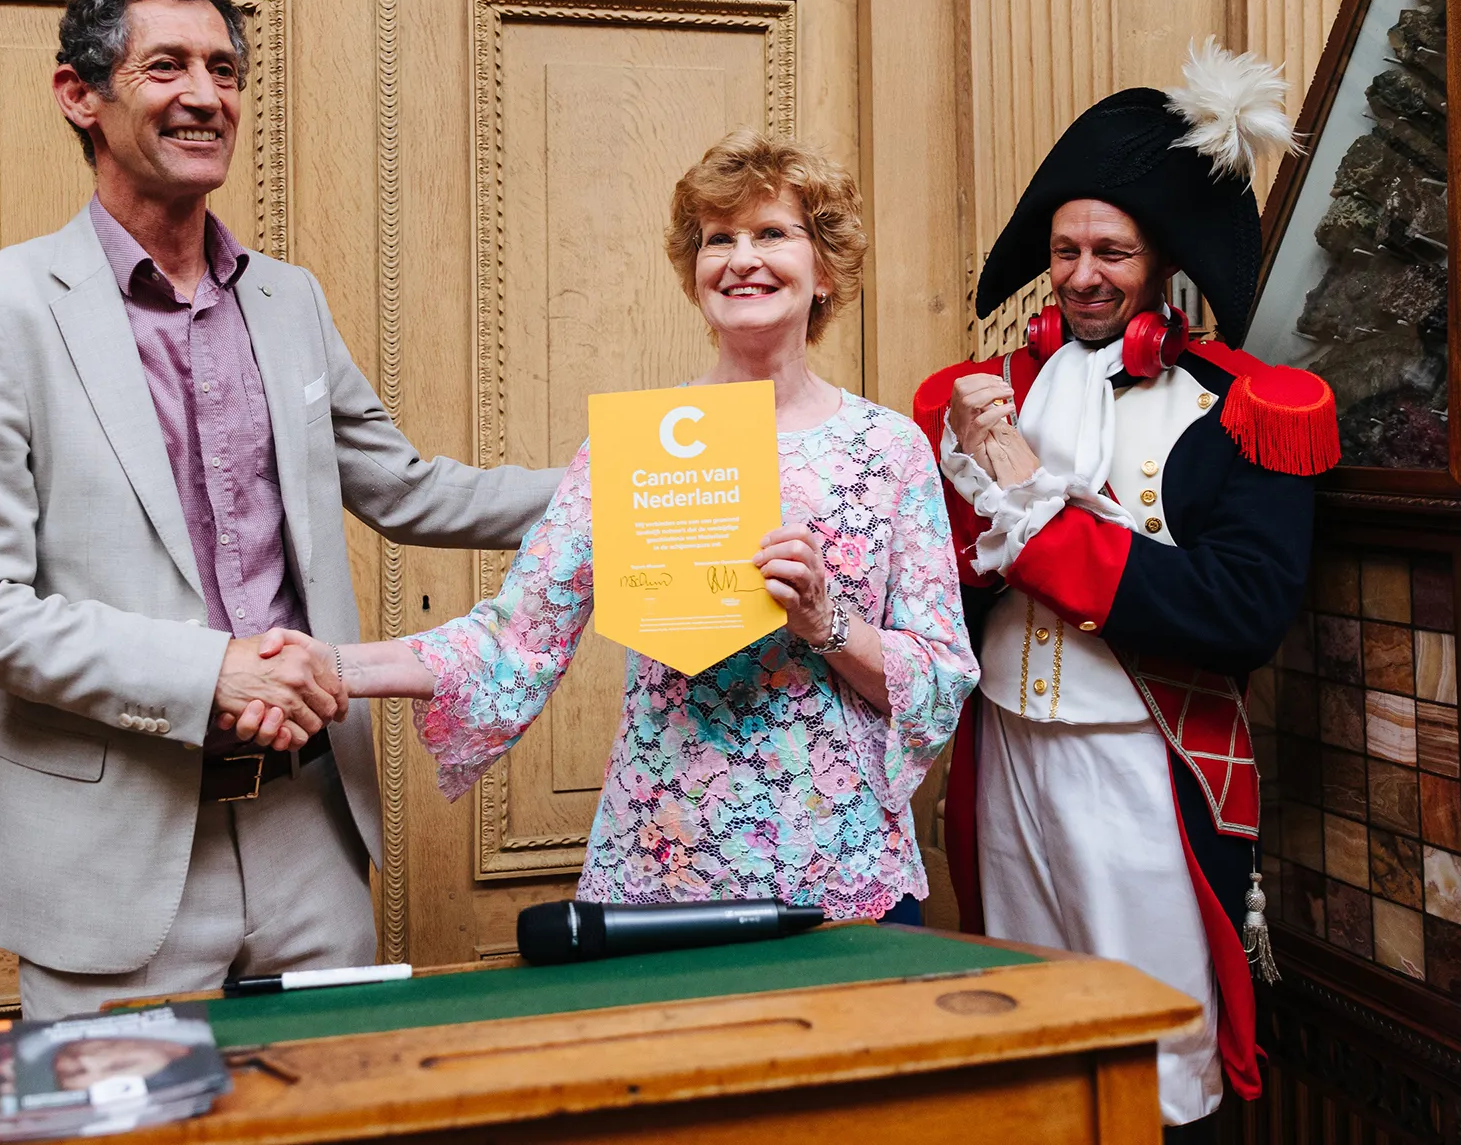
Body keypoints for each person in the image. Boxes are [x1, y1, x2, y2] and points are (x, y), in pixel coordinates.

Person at [0, 0, 560, 1019]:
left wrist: (634, 485)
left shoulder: (288, 300)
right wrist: (210, 673)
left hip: (313, 833)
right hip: (113, 865)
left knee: (339, 1122)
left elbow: (406, 488)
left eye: (224, 69)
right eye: (165, 67)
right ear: (81, 95)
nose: (205, 95)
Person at [305, 130, 979, 921]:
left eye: (771, 234)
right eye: (717, 239)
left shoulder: (890, 449)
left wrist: (827, 623)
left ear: (824, 268)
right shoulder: (636, 448)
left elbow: (941, 672)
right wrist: (332, 666)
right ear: (695, 276)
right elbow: (514, 637)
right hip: (667, 865)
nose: (741, 257)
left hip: (841, 864)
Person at [911, 39, 1338, 1139]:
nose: (1082, 273)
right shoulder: (975, 400)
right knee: (1025, 1018)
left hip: (1138, 758)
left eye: (1111, 249)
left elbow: (1239, 610)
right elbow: (934, 580)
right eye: (1063, 250)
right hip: (1002, 750)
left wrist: (1042, 524)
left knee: (1157, 1039)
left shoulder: (1249, 410)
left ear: (1161, 262)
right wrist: (971, 490)